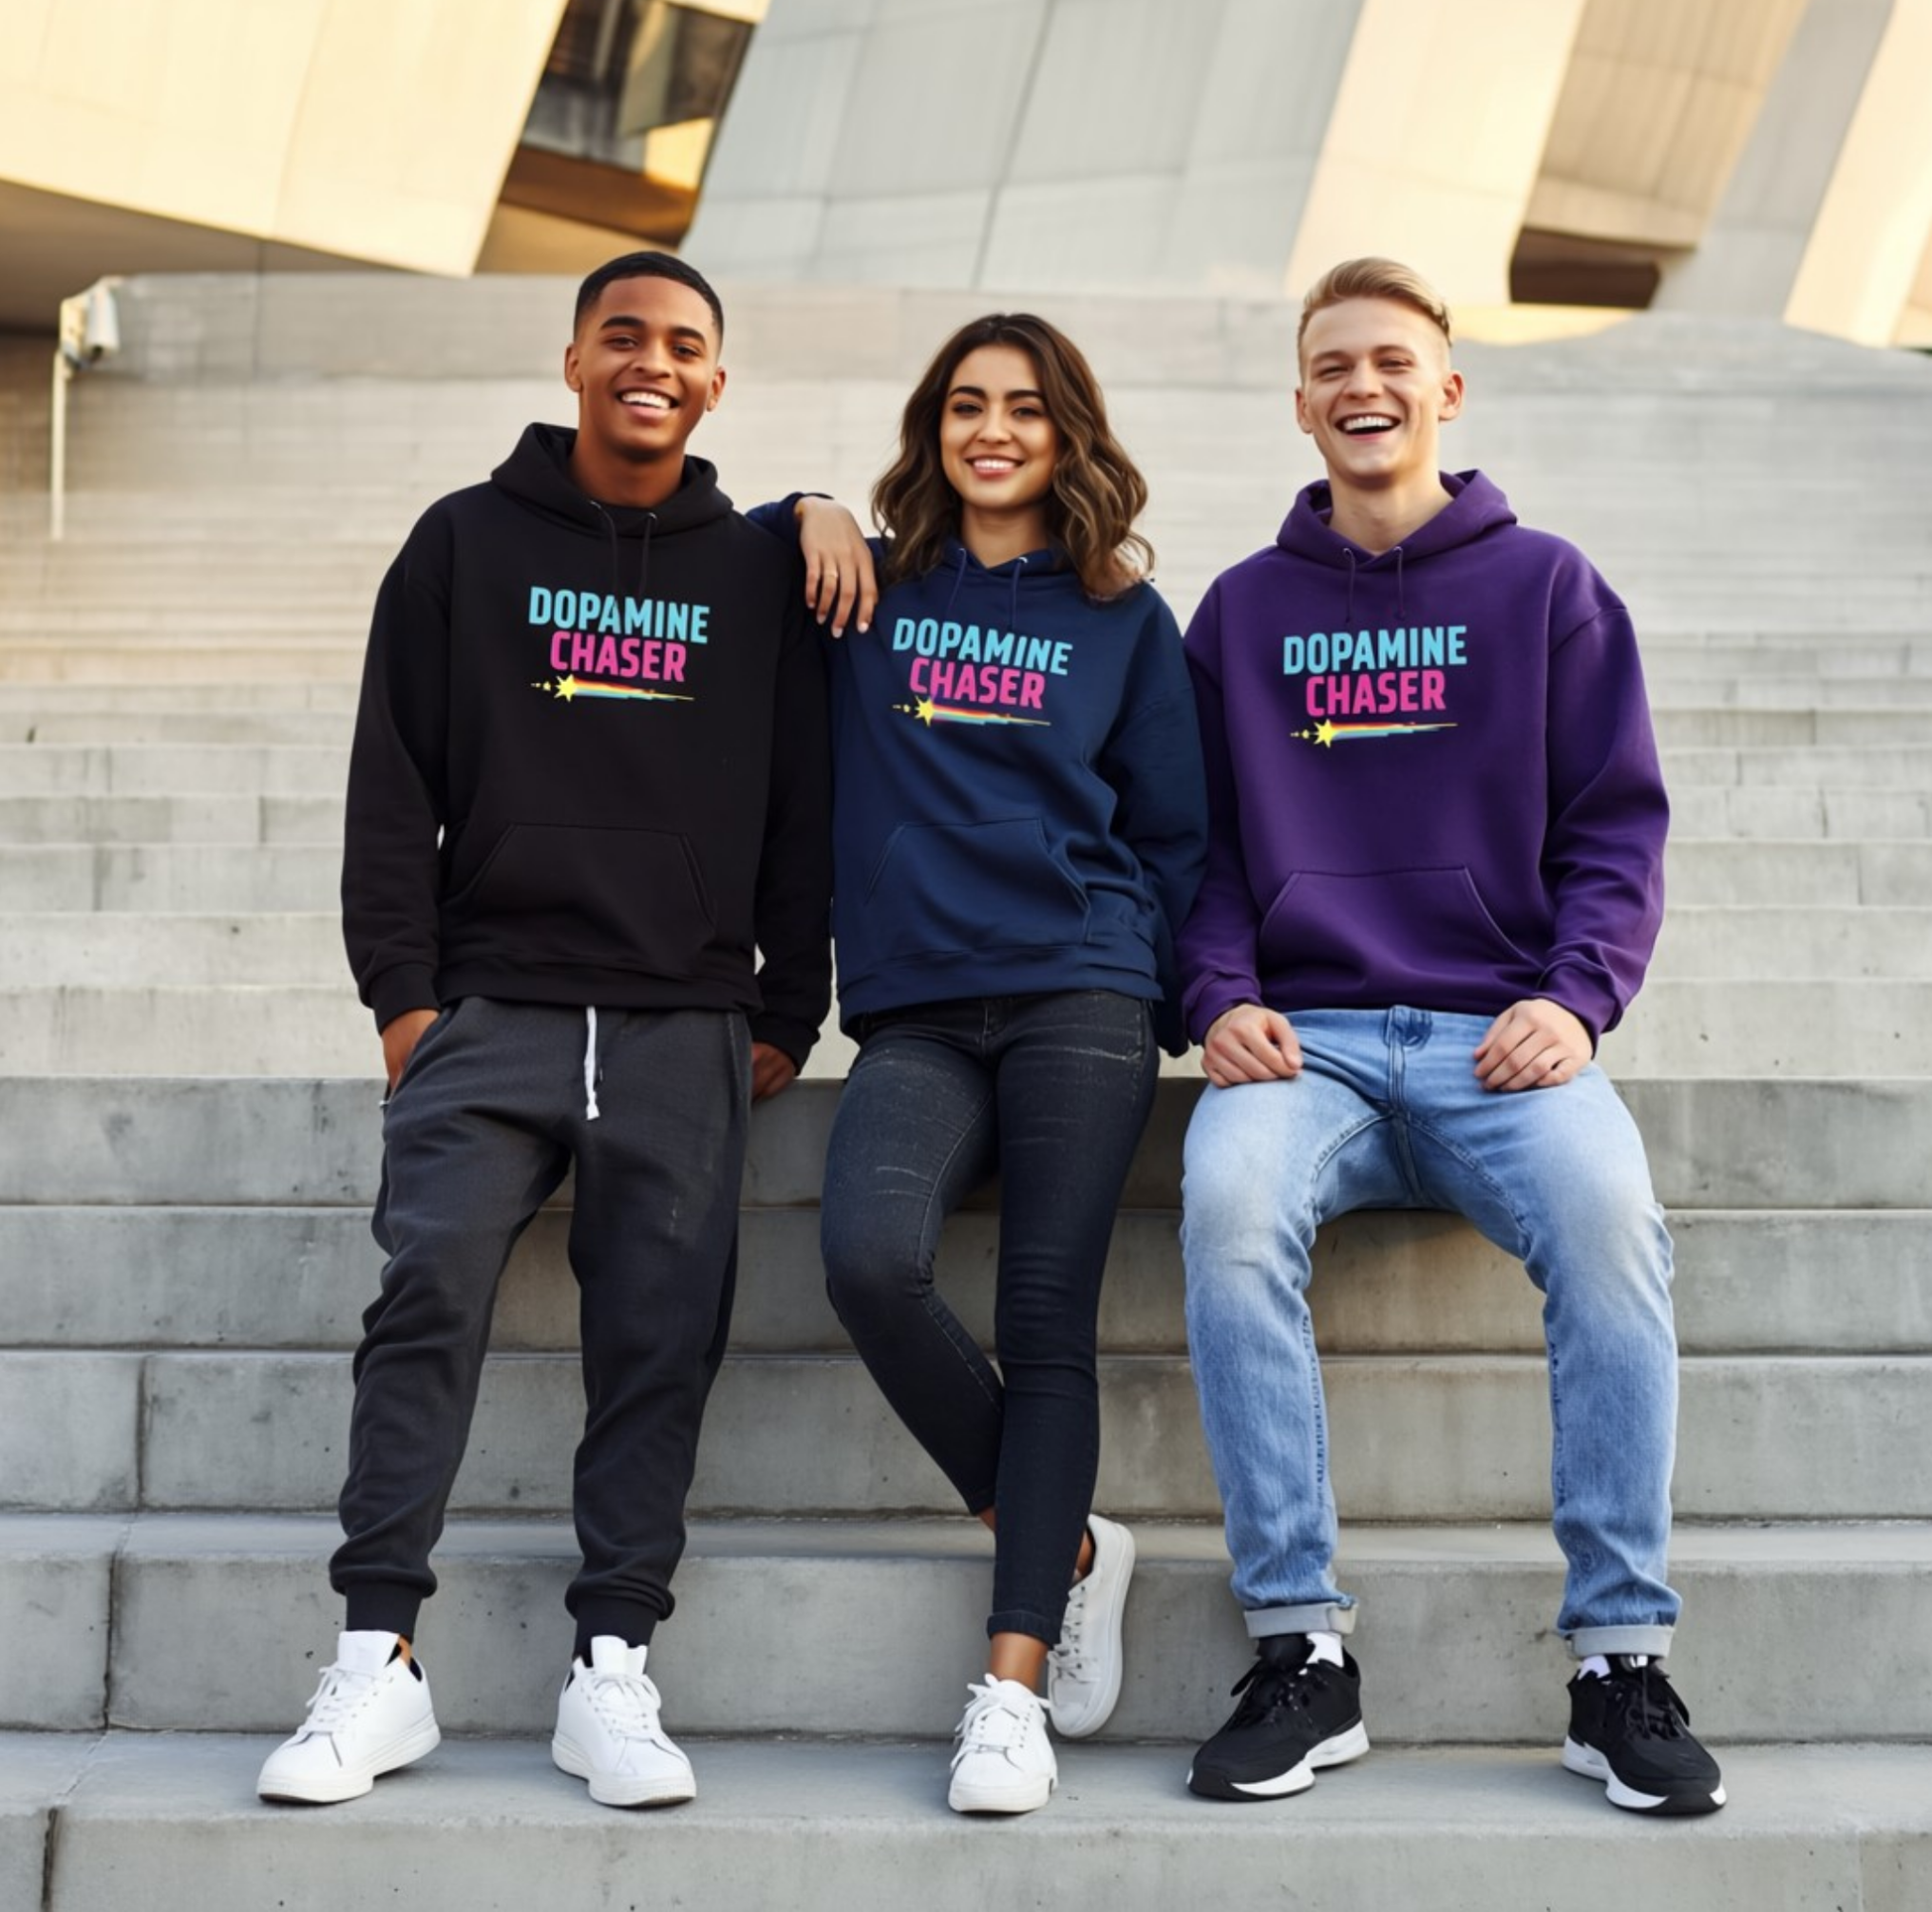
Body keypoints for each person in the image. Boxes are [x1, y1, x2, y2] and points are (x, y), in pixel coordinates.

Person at [255, 250, 831, 1811]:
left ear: (718, 380)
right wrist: (406, 1000)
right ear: (573, 355)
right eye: (624, 336)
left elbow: (801, 802)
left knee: (658, 1339)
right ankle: (377, 1660)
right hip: (494, 1007)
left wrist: (789, 1001)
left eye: (686, 345)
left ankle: (611, 1669)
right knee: (426, 1292)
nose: (653, 362)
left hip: (684, 1018)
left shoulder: (764, 568)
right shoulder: (462, 542)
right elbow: (394, 786)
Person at [1175, 257, 1725, 1817]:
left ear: (1446, 389)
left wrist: (1575, 994)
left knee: (1615, 1221)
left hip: (1506, 1035)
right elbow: (1193, 848)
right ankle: (1303, 1650)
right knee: (1222, 1209)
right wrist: (1217, 997)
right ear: (1300, 401)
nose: (1364, 383)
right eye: (1333, 363)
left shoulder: (1545, 585)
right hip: (1312, 1046)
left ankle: (1616, 1659)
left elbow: (1616, 827)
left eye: (1393, 360)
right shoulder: (1242, 610)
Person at [753, 313, 1207, 1815]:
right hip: (923, 1009)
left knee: (1044, 1314)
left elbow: (1170, 832)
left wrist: (1151, 983)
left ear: (1069, 432)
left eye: (1023, 406)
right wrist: (805, 502)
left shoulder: (1125, 620)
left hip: (1079, 985)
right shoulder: (865, 589)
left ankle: (1007, 1687)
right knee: (871, 1260)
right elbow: (705, 554)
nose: (992, 428)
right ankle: (1064, 1537)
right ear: (931, 426)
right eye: (965, 404)